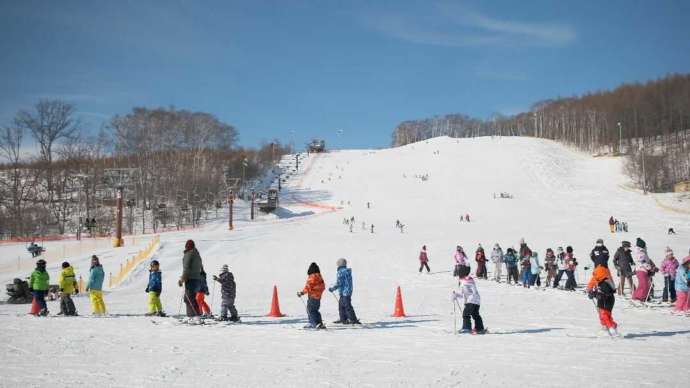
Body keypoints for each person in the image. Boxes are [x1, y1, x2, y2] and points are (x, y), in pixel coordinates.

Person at [586, 265, 619, 336]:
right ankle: (609, 327)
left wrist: (595, 294)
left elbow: (605, 293)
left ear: (600, 274)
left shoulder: (605, 283)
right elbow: (596, 286)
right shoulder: (601, 280)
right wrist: (591, 292)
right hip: (604, 300)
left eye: (596, 275)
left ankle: (611, 328)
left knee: (604, 314)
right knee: (603, 315)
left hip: (607, 301)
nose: (595, 277)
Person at [328, 258, 360, 325]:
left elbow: (339, 283)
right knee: (341, 306)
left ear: (339, 264)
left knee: (347, 306)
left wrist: (333, 288)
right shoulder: (347, 271)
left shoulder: (341, 272)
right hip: (346, 292)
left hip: (345, 292)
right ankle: (344, 319)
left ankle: (353, 320)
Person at [179, 240, 203, 320]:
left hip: (190, 279)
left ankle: (196, 316)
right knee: (189, 298)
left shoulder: (188, 254)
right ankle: (191, 316)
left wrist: (182, 279)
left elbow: (186, 268)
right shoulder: (197, 254)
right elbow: (200, 266)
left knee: (190, 298)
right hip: (197, 278)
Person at [297, 262, 326, 329]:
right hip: (318, 298)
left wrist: (301, 293)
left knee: (310, 311)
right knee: (315, 311)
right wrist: (319, 293)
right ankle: (319, 323)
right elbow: (323, 287)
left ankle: (313, 323)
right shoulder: (320, 277)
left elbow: (308, 287)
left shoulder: (311, 277)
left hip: (312, 297)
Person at [631, 238, 657, 302]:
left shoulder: (643, 252)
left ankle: (644, 296)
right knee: (643, 285)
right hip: (641, 270)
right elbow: (643, 263)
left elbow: (647, 260)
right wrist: (651, 268)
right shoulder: (640, 253)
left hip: (644, 270)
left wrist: (652, 266)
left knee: (646, 285)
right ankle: (637, 297)